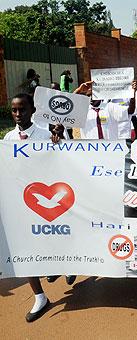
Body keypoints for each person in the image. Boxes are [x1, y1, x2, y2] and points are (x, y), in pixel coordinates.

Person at [4, 93, 62, 322]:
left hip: (45, 202)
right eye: (14, 110)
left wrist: (60, 142)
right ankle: (40, 297)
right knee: (23, 252)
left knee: (53, 240)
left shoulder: (47, 135)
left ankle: (63, 265)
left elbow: (66, 161)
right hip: (19, 202)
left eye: (23, 110)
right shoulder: (8, 138)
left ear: (33, 111)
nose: (18, 115)